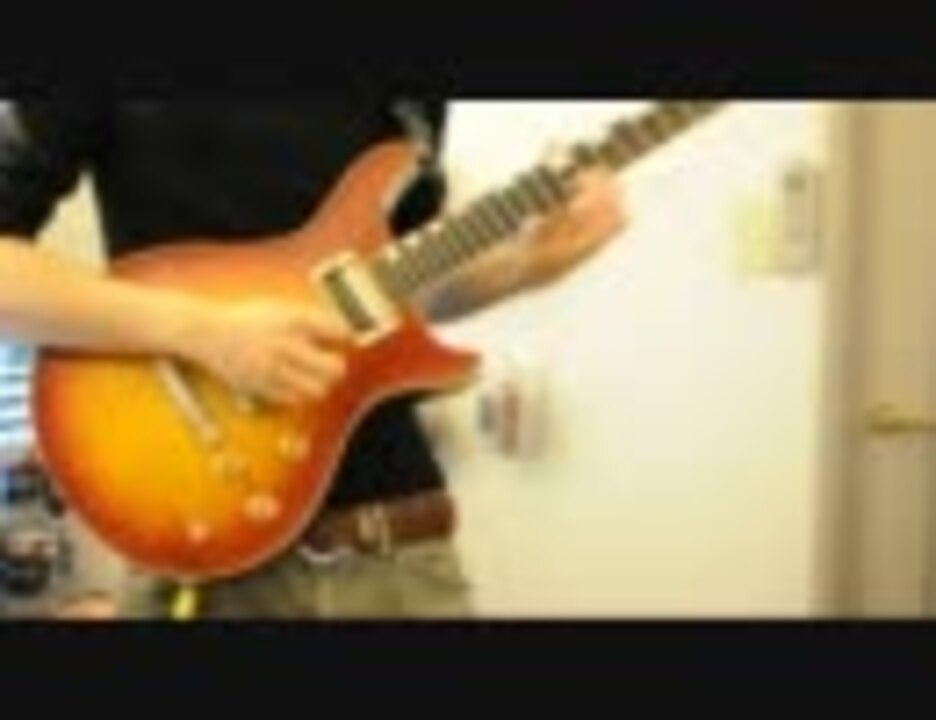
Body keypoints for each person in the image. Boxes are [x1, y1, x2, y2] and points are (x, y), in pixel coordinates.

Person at [0, 98, 627, 619]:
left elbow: (393, 293)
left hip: (397, 555)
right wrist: (203, 333)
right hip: (204, 560)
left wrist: (525, 263)